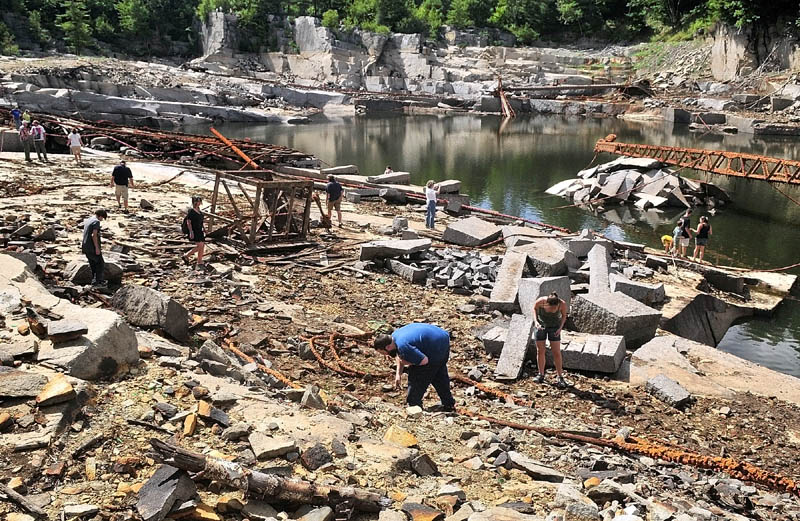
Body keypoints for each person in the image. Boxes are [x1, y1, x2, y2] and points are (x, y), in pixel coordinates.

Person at [374, 323, 456, 412]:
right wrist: (398, 374)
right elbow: (399, 355)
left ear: (387, 347)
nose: (385, 355)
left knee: (417, 375)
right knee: (438, 372)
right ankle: (448, 404)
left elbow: (424, 361)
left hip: (435, 347)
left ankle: (414, 406)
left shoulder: (403, 345)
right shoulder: (394, 336)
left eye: (383, 353)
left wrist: (406, 362)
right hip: (442, 338)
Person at [532, 292, 570, 388]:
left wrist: (560, 328)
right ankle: (541, 374)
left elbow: (564, 316)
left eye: (554, 308)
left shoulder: (562, 304)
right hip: (541, 327)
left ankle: (560, 376)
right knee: (540, 351)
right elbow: (534, 309)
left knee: (556, 352)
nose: (552, 309)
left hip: (554, 328)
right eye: (550, 307)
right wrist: (536, 322)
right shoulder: (541, 301)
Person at [82, 208, 108, 287]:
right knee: (100, 264)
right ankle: (98, 282)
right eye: (102, 218)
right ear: (100, 216)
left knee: (93, 264)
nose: (102, 220)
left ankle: (94, 281)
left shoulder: (89, 220)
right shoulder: (96, 222)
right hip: (92, 246)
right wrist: (97, 248)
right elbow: (94, 235)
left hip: (85, 246)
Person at [183, 196, 206, 269]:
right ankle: (186, 255)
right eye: (197, 201)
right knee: (199, 245)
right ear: (194, 202)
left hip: (200, 230)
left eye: (199, 201)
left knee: (202, 245)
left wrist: (205, 229)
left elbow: (202, 222)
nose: (198, 203)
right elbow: (188, 222)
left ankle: (199, 260)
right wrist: (191, 231)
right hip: (194, 230)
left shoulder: (200, 211)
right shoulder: (191, 211)